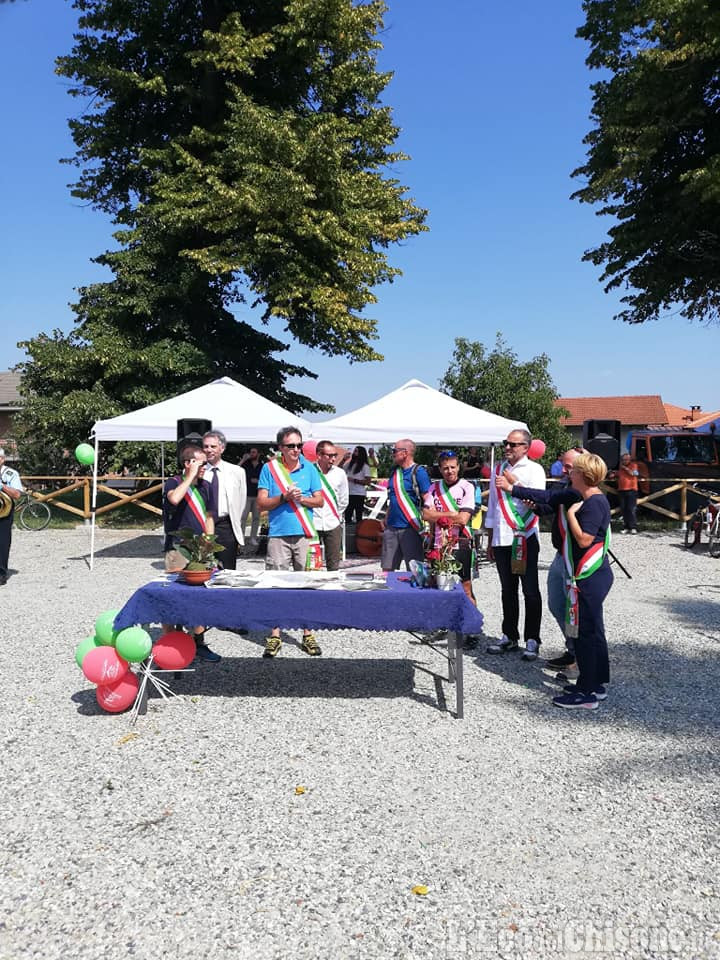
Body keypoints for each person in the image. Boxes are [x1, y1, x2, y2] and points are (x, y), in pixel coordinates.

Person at [497, 446, 584, 672]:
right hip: (560, 554)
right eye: (563, 465)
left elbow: (547, 495)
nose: (562, 469)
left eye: (568, 466)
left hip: (579, 559)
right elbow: (546, 506)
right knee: (557, 605)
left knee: (574, 608)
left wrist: (513, 488)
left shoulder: (579, 491)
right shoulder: (567, 485)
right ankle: (572, 650)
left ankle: (579, 657)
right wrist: (534, 507)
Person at [256, 426, 323, 658]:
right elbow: (261, 504)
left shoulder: (310, 469)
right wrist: (284, 498)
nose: (296, 450)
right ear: (280, 448)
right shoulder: (269, 469)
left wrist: (301, 499)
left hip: (305, 534)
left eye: (298, 445)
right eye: (291, 446)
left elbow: (320, 501)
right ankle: (275, 635)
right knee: (275, 584)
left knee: (307, 585)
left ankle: (307, 633)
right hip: (278, 535)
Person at [485, 429, 546, 661]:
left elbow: (539, 500)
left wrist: (514, 483)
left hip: (525, 536)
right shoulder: (498, 469)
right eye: (506, 443)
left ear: (525, 447)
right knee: (507, 590)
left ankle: (533, 638)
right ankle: (509, 635)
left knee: (530, 590)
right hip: (502, 537)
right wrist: (490, 538)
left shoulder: (534, 470)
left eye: (513, 444)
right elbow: (492, 505)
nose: (508, 447)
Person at [163, 442, 221, 662]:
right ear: (187, 463)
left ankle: (198, 643)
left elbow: (209, 517)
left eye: (206, 463)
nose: (205, 467)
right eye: (200, 463)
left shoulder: (207, 486)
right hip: (177, 549)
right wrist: (191, 476)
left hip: (199, 552)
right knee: (172, 596)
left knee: (200, 597)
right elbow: (174, 499)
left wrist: (209, 545)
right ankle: (172, 644)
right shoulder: (174, 482)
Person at [422, 451, 482, 648]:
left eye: (453, 467)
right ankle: (442, 625)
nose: (449, 471)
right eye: (445, 468)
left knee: (465, 587)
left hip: (460, 542)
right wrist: (449, 514)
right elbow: (425, 514)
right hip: (438, 543)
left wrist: (438, 515)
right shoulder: (433, 487)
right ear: (440, 469)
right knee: (438, 586)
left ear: (458, 468)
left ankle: (471, 629)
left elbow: (463, 519)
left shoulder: (467, 487)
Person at [382, 439, 431, 571]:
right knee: (387, 569)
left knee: (415, 570)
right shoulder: (394, 472)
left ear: (405, 453)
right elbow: (392, 496)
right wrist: (386, 517)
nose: (392, 454)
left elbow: (428, 499)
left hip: (411, 527)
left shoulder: (419, 472)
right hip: (391, 527)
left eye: (394, 451)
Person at [202, 430, 247, 570]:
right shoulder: (197, 471)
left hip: (226, 526)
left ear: (222, 448)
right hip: (202, 524)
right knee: (203, 568)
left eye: (213, 446)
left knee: (227, 570)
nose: (209, 450)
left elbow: (242, 500)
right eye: (206, 446)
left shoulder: (237, 471)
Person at [313, 440, 349, 571]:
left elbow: (344, 499)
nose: (333, 459)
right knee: (311, 564)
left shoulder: (340, 473)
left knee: (333, 565)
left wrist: (336, 515)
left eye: (335, 455)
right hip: (312, 522)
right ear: (319, 455)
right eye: (329, 455)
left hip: (332, 522)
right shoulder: (310, 471)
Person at [0, 448, 23, 585]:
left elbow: (17, 495)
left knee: (2, 542)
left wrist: (2, 487)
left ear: (2, 459)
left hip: (4, 511)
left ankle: (1, 572)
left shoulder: (11, 474)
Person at [239, 447, 262, 546]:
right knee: (243, 517)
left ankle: (253, 538)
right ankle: (241, 537)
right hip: (246, 495)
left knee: (256, 518)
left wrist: (258, 482)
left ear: (258, 454)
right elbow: (235, 471)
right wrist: (243, 459)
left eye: (254, 452)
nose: (252, 454)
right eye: (250, 452)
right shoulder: (245, 464)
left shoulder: (262, 465)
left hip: (257, 495)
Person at [343, 446, 371, 523]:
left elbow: (368, 481)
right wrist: (344, 459)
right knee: (348, 515)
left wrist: (354, 480)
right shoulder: (349, 465)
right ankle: (348, 532)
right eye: (354, 451)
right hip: (349, 493)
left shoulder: (365, 466)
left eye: (356, 451)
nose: (354, 453)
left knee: (359, 515)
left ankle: (359, 532)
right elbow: (339, 469)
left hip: (359, 493)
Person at [614, 452, 639, 534]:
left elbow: (634, 474)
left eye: (626, 460)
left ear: (629, 460)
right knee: (623, 509)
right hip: (622, 490)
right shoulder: (621, 468)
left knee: (631, 509)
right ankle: (626, 527)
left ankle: (633, 527)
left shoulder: (634, 465)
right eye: (623, 460)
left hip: (631, 490)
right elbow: (618, 474)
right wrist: (613, 474)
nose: (624, 461)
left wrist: (626, 468)